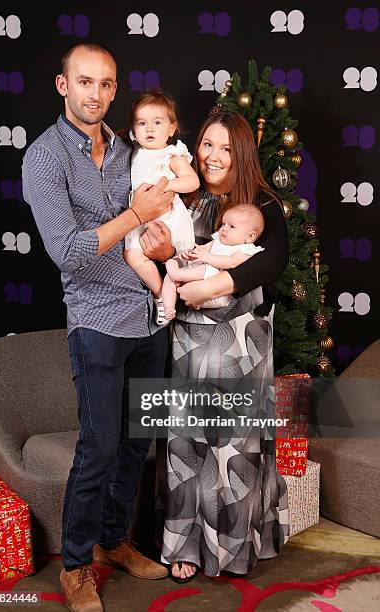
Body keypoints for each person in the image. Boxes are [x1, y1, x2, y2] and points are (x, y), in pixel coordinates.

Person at [22, 42, 175, 612]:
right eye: (85, 82)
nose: (96, 93)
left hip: (146, 316)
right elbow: (68, 251)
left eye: (106, 84)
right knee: (100, 445)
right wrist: (139, 216)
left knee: (137, 444)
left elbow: (151, 237)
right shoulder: (43, 158)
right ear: (64, 86)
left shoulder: (131, 150)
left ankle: (114, 540)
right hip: (96, 322)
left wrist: (158, 241)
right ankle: (78, 564)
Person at [159, 111, 290, 582]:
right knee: (186, 444)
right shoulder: (184, 196)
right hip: (189, 341)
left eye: (225, 148)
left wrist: (217, 281)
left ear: (243, 154)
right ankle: (185, 546)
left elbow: (274, 261)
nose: (212, 156)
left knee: (234, 447)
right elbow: (164, 254)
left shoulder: (263, 206)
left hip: (242, 344)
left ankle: (233, 546)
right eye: (206, 145)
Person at [123, 91, 198, 324]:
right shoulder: (133, 154)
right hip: (141, 220)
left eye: (157, 123)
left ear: (171, 128)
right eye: (142, 123)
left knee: (174, 261)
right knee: (132, 255)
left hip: (169, 218)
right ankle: (160, 296)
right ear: (133, 131)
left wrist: (166, 187)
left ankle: (169, 297)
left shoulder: (172, 155)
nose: (150, 129)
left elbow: (192, 181)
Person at [163, 203, 265, 317]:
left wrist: (207, 258)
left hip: (215, 291)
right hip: (195, 283)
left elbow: (231, 262)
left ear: (250, 236)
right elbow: (202, 250)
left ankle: (177, 274)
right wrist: (190, 254)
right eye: (223, 224)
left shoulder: (246, 249)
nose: (224, 229)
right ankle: (168, 307)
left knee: (205, 268)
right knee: (169, 279)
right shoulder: (219, 240)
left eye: (232, 226)